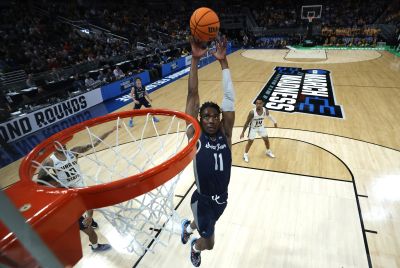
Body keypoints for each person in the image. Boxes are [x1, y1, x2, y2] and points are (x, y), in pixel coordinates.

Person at [180, 36, 235, 267]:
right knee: (209, 242)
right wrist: (195, 59)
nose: (211, 120)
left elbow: (229, 98)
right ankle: (194, 247)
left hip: (222, 199)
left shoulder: (226, 134)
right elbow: (193, 95)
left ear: (220, 119)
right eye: (206, 116)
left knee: (207, 224)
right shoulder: (196, 135)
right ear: (200, 119)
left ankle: (187, 226)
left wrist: (224, 63)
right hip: (202, 201)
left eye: (215, 116)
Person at [37, 126, 119, 252]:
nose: (64, 146)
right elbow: (40, 181)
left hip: (80, 187)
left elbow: (94, 143)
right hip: (68, 193)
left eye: (64, 144)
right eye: (60, 145)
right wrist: (56, 186)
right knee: (85, 218)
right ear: (54, 147)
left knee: (88, 205)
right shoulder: (50, 162)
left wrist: (110, 130)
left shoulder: (73, 152)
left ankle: (88, 219)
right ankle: (95, 246)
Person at [240, 97, 278, 162]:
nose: (258, 105)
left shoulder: (265, 110)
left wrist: (275, 122)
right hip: (253, 128)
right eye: (257, 103)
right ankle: (245, 154)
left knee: (266, 140)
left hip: (261, 127)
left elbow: (269, 116)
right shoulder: (252, 112)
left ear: (262, 104)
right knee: (250, 142)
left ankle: (268, 151)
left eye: (259, 103)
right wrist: (243, 132)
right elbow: (247, 123)